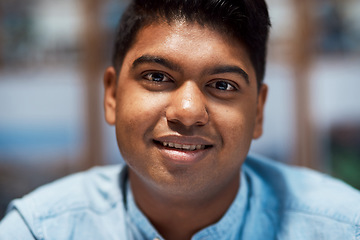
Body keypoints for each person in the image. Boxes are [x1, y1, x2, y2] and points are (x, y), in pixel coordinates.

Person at [1, 0, 360, 239]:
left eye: (222, 85)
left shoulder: (342, 227)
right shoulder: (41, 230)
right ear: (111, 94)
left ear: (258, 111)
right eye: (157, 77)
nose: (188, 112)